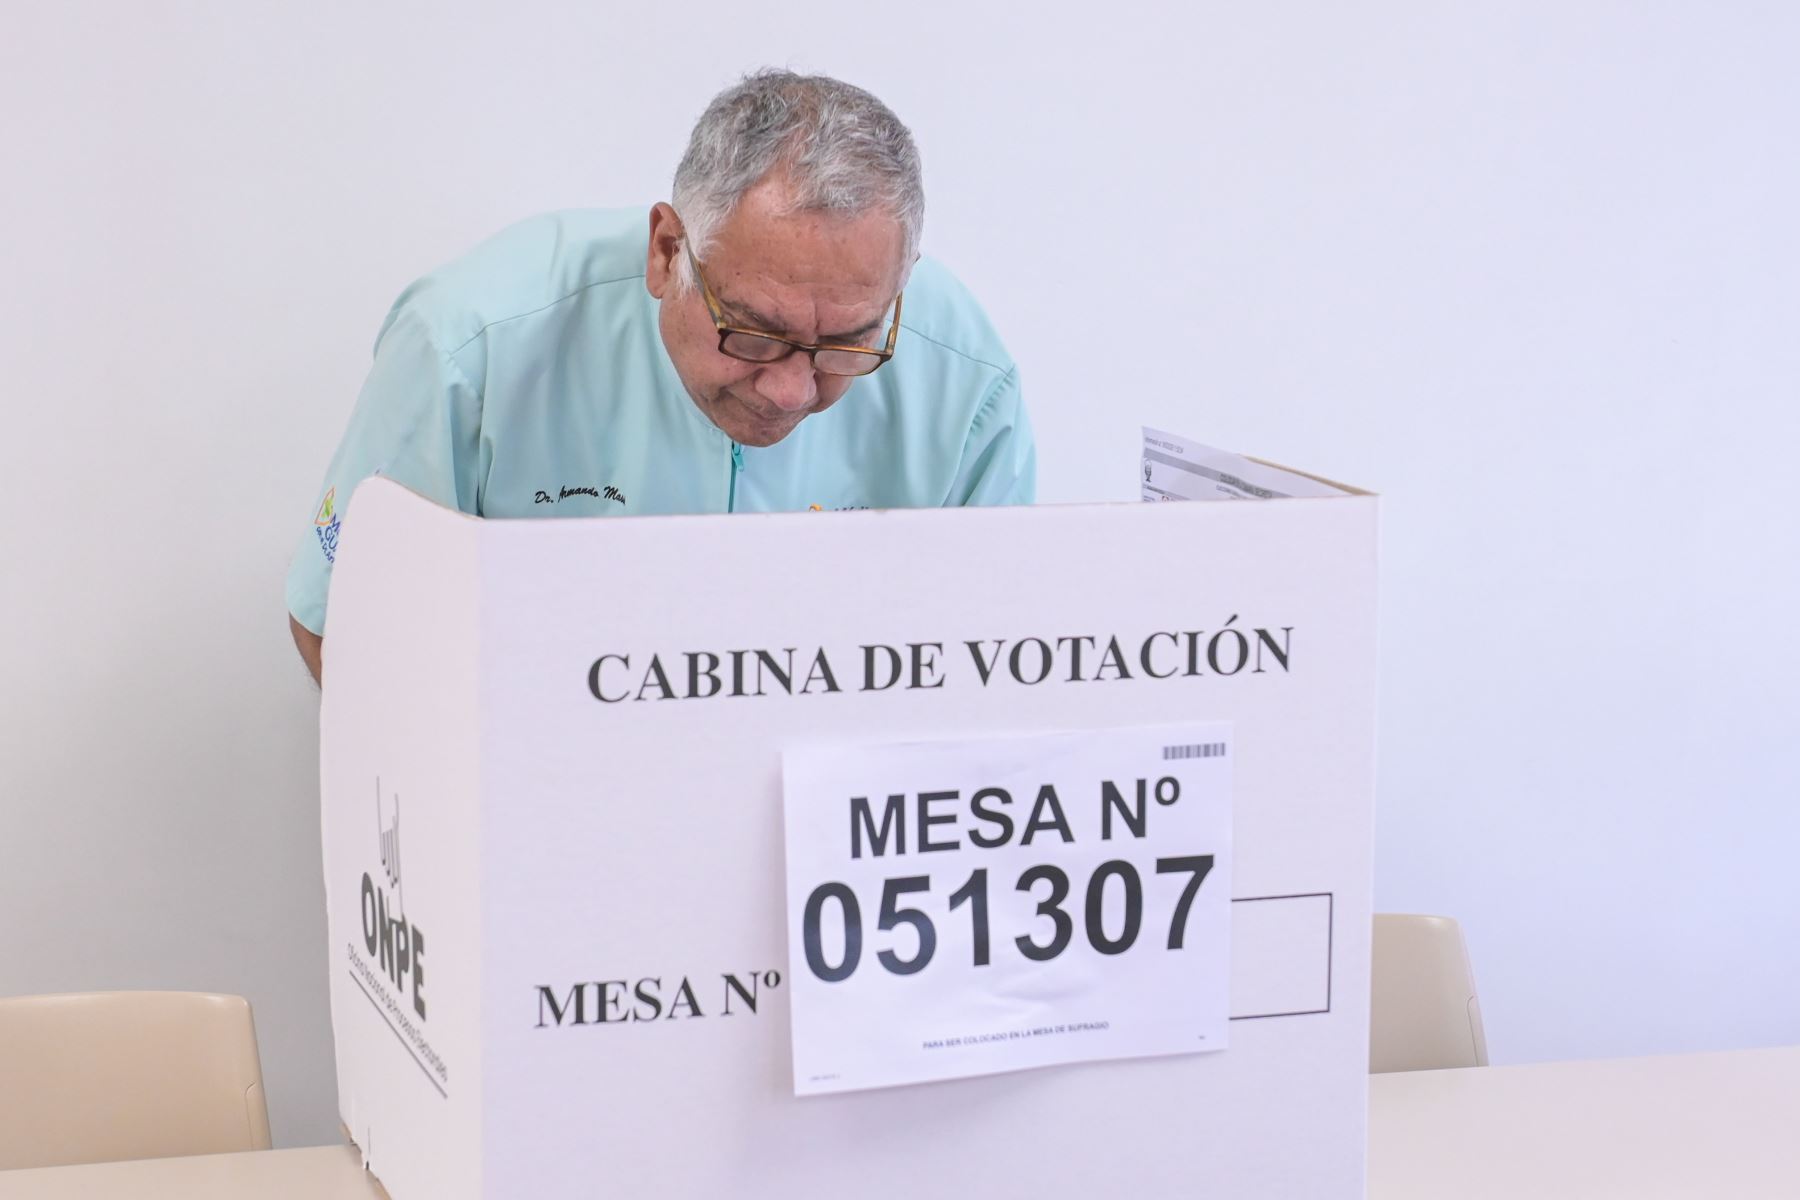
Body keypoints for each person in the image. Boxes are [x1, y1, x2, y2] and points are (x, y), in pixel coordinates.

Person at [286, 69, 1035, 684]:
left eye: (846, 343)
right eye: (753, 334)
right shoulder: (467, 345)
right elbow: (344, 627)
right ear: (667, 251)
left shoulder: (968, 381)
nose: (791, 393)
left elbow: (1000, 664)